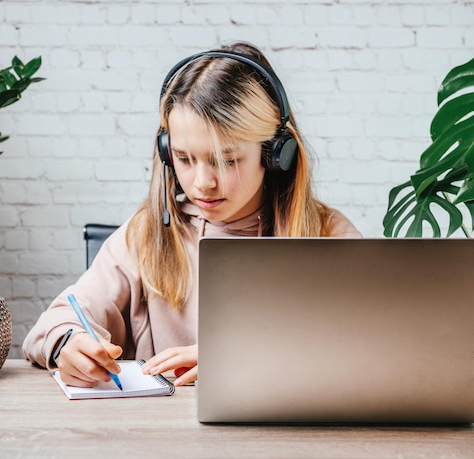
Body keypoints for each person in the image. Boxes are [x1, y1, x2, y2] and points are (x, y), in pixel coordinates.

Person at [22, 41, 361, 388]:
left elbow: (369, 347)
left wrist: (244, 358)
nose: (202, 183)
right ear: (167, 153)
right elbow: (56, 322)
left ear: (275, 155)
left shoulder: (328, 233)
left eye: (226, 160)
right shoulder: (145, 235)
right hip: (164, 436)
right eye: (184, 159)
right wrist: (69, 343)